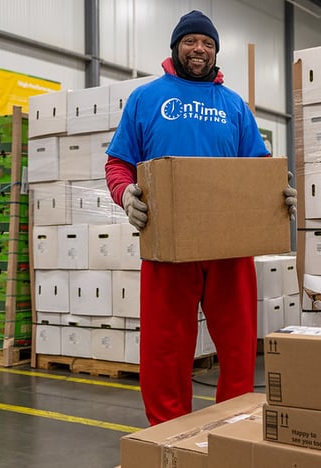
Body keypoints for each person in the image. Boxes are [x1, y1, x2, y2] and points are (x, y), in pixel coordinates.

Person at [104, 10, 297, 426]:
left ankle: (234, 427)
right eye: (192, 41)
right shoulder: (146, 98)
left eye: (208, 44)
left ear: (215, 53)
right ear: (176, 46)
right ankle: (168, 435)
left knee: (238, 344)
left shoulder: (234, 106)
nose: (200, 49)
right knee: (165, 347)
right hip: (169, 243)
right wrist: (126, 195)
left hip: (229, 245)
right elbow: (118, 163)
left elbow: (259, 165)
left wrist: (277, 190)